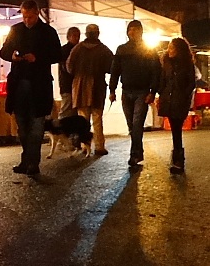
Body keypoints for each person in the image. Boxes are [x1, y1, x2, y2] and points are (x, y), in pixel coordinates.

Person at [1, 0, 62, 176]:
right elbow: (4, 52)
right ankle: (27, 159)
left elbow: (57, 54)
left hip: (39, 84)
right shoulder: (15, 30)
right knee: (22, 126)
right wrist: (12, 56)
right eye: (24, 16)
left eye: (30, 17)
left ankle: (32, 162)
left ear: (37, 14)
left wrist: (38, 58)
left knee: (36, 126)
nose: (27, 20)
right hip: (19, 83)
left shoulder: (48, 32)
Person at [108, 20, 161, 169]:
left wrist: (152, 91)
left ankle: (135, 154)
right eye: (130, 29)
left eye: (135, 29)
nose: (132, 32)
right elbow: (115, 70)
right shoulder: (122, 49)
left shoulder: (148, 50)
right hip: (126, 90)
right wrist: (112, 90)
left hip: (142, 91)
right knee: (131, 125)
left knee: (137, 123)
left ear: (141, 31)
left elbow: (155, 71)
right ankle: (138, 151)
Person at [66, 23, 113, 157]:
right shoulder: (103, 50)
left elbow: (69, 67)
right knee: (97, 118)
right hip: (97, 86)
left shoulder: (77, 48)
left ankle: (84, 146)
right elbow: (111, 67)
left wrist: (79, 74)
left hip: (80, 86)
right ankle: (99, 146)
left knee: (82, 119)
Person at [156, 36, 196, 175]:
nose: (169, 50)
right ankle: (177, 159)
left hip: (180, 101)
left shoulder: (187, 64)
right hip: (169, 100)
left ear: (179, 49)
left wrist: (184, 95)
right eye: (169, 47)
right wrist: (161, 93)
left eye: (172, 47)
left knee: (177, 129)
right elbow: (162, 80)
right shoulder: (166, 62)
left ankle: (178, 159)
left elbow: (191, 83)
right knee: (175, 130)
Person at [58, 26, 81, 118]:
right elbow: (65, 68)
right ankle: (61, 130)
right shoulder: (64, 50)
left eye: (78, 36)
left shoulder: (79, 49)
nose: (76, 38)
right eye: (74, 36)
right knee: (66, 110)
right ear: (68, 37)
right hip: (67, 84)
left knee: (74, 111)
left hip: (76, 85)